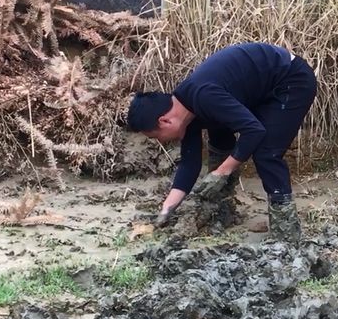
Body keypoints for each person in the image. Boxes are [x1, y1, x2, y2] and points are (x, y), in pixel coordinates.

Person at [124, 42, 317, 243]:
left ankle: (286, 233)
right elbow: (190, 164)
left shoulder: (204, 95)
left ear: (164, 121)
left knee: (266, 152)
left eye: (156, 137)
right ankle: (221, 211)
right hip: (257, 89)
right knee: (219, 138)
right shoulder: (185, 112)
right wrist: (166, 210)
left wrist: (221, 172)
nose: (160, 141)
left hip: (291, 79)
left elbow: (253, 131)